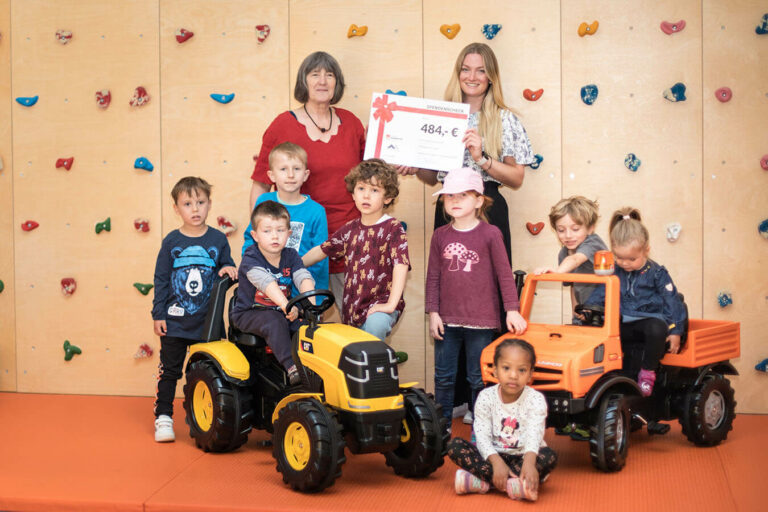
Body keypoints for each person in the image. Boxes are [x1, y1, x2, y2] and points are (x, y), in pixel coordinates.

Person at [400, 42, 535, 423]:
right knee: (454, 292)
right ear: (457, 73)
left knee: (486, 295)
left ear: (491, 76)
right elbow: (434, 177)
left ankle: (489, 396)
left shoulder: (505, 119)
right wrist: (415, 166)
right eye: (465, 68)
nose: (472, 77)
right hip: (450, 210)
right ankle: (458, 396)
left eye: (480, 70)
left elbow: (517, 177)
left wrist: (482, 158)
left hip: (489, 207)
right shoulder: (442, 116)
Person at [250, 51, 365, 310]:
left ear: (337, 83)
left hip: (349, 244)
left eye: (329, 74)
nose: (322, 81)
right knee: (298, 324)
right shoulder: (282, 125)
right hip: (296, 247)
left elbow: (370, 178)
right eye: (315, 74)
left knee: (354, 323)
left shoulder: (352, 124)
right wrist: (260, 240)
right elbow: (260, 184)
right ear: (304, 81)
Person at [425, 168, 527, 431]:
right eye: (449, 196)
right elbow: (433, 277)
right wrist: (433, 313)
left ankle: (481, 428)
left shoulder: (491, 234)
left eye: (462, 195)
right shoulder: (440, 236)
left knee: (478, 377)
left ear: (479, 200)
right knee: (444, 378)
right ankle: (442, 428)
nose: (455, 201)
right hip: (447, 320)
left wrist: (512, 310)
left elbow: (505, 276)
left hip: (481, 321)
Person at [151, 177, 237, 443]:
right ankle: (163, 417)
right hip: (175, 323)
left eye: (200, 202)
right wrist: (158, 314)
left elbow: (228, 267)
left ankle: (199, 413)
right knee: (170, 371)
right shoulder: (171, 242)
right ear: (177, 208)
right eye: (188, 204)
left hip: (207, 323)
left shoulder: (218, 238)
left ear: (209, 204)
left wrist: (229, 269)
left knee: (205, 372)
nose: (195, 209)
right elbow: (161, 278)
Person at [303, 159, 409, 343]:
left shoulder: (393, 228)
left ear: (388, 197)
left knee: (374, 332)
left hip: (381, 306)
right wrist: (291, 265)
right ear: (353, 193)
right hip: (352, 310)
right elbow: (322, 250)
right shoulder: (350, 229)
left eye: (374, 190)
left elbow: (401, 266)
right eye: (361, 189)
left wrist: (391, 304)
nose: (366, 196)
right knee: (356, 358)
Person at [585, 207, 687, 397]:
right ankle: (606, 374)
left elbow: (672, 301)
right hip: (622, 322)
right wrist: (589, 309)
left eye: (632, 258)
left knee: (657, 328)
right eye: (619, 257)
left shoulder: (657, 273)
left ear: (646, 250)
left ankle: (647, 373)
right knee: (597, 328)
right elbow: (602, 291)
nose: (625, 263)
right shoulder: (614, 270)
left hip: (648, 321)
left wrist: (676, 331)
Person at [447, 339, 557, 501]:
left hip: (523, 455)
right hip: (492, 455)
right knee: (454, 445)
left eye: (521, 370)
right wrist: (496, 462)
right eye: (506, 368)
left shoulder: (536, 399)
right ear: (495, 371)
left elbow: (535, 433)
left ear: (530, 375)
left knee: (550, 456)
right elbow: (482, 435)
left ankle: (484, 482)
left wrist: (529, 463)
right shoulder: (486, 397)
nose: (513, 375)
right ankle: (515, 483)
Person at [231, 201, 315, 386]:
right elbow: (266, 283)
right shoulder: (251, 258)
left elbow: (303, 277)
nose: (274, 236)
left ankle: (313, 367)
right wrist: (287, 306)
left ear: (289, 234)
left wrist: (311, 306)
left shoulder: (291, 256)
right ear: (255, 235)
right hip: (249, 313)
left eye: (280, 230)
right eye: (267, 231)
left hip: (282, 310)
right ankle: (292, 367)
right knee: (274, 321)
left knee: (306, 327)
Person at [242, 142, 328, 292]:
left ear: (306, 174)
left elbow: (320, 255)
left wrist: (312, 295)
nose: (290, 175)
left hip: (301, 291)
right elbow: (251, 238)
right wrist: (251, 267)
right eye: (283, 169)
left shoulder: (316, 211)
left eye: (296, 169)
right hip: (265, 289)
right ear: (272, 175)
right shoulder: (263, 201)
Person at [534, 196, 608, 320]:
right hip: (585, 311)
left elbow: (575, 259)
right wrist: (576, 312)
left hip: (605, 310)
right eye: (561, 230)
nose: (568, 236)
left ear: (590, 228)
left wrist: (557, 272)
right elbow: (573, 285)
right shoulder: (563, 253)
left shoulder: (594, 243)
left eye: (575, 229)